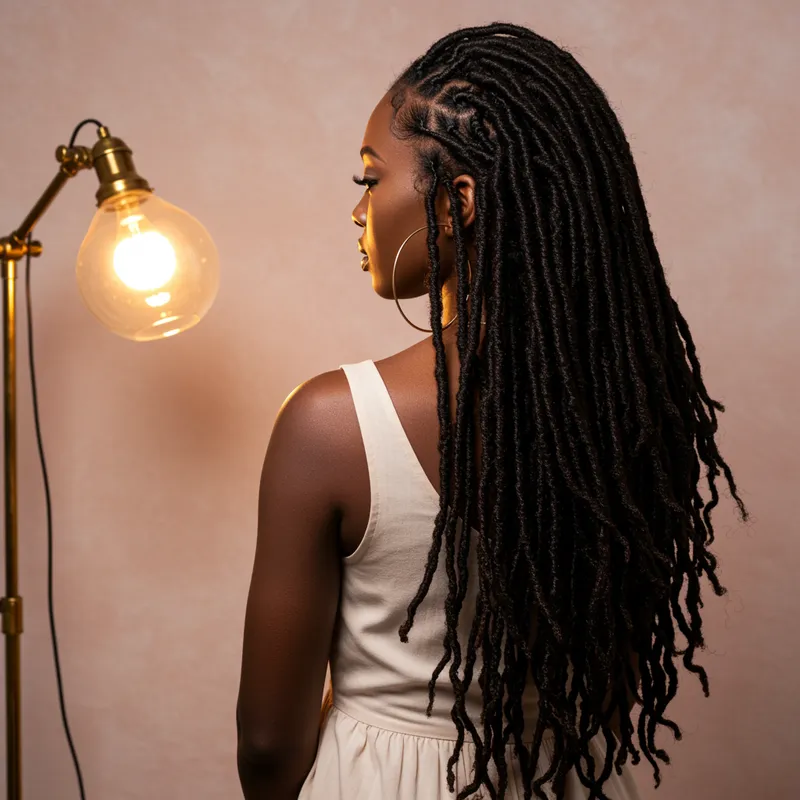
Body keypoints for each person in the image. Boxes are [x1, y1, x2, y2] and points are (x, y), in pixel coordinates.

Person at [235, 22, 746, 800]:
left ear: (457, 200)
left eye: (369, 180)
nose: (358, 211)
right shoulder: (634, 416)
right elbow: (614, 687)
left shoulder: (332, 425)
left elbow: (270, 746)